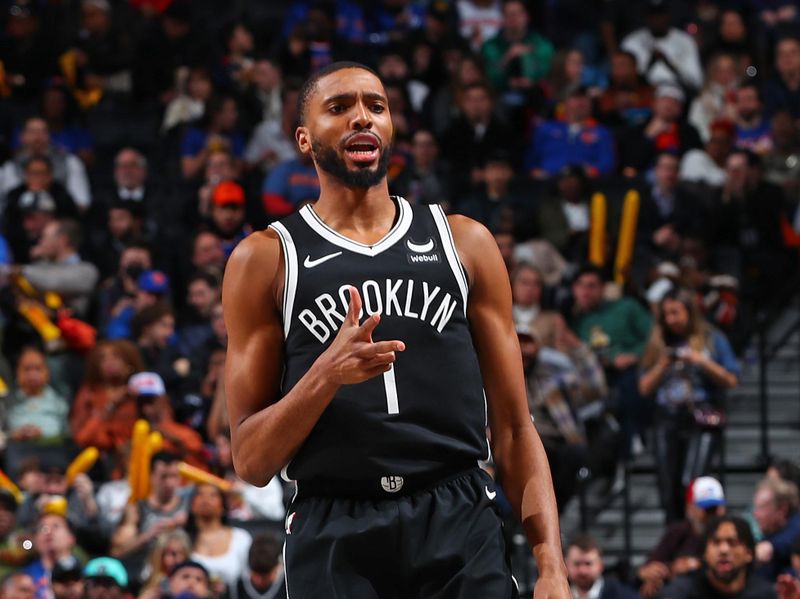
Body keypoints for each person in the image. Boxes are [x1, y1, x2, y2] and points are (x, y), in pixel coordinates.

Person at [223, 61, 569, 597]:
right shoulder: (266, 259)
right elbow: (250, 460)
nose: (362, 117)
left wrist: (551, 565)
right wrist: (324, 377)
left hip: (456, 515)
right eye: (339, 108)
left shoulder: (465, 243)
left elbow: (515, 427)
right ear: (304, 139)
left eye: (376, 106)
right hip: (335, 525)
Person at [639, 289, 739, 522]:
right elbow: (643, 388)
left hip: (701, 417)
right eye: (666, 314)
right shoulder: (658, 342)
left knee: (692, 483)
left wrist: (700, 360)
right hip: (667, 418)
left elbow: (732, 379)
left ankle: (696, 538)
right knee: (668, 487)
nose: (671, 319)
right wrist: (663, 363)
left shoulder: (712, 338)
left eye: (676, 312)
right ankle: (675, 539)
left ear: (689, 312)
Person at [639, 476, 727, 597]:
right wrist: (648, 574)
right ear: (690, 508)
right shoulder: (678, 532)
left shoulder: (731, 533)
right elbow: (651, 565)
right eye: (707, 509)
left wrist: (694, 566)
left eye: (715, 508)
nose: (711, 515)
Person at [658, 515, 777, 599]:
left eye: (732, 542)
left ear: (749, 554)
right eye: (716, 542)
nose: (723, 550)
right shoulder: (683, 591)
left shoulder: (765, 594)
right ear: (705, 553)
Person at [186, 483, 251, 590]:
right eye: (200, 495)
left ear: (223, 506)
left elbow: (249, 579)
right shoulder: (183, 539)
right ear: (191, 505)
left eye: (213, 495)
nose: (205, 499)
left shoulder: (241, 538)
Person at [753, 477, 800, 581]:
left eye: (762, 508)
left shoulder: (796, 527)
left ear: (782, 509)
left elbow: (791, 538)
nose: (756, 514)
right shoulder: (769, 533)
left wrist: (771, 547)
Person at [565, 534, 640, 599]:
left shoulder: (625, 596)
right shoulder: (556, 595)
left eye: (588, 564)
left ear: (600, 565)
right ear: (566, 565)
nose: (582, 570)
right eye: (577, 564)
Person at [138, 530, 191, 599]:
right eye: (172, 554)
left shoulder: (192, 585)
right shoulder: (141, 584)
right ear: (160, 556)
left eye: (182, 554)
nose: (178, 560)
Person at [229, 534, 285, 599]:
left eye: (265, 577)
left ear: (278, 567)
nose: (259, 581)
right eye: (255, 575)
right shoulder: (238, 588)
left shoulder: (288, 586)